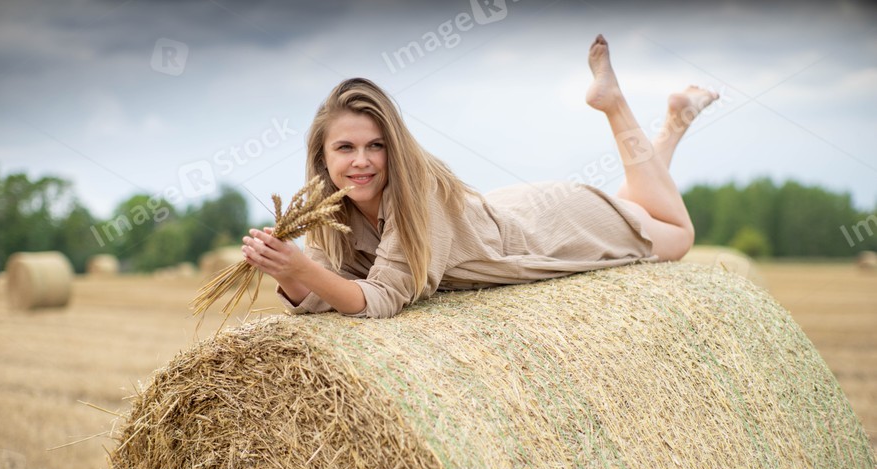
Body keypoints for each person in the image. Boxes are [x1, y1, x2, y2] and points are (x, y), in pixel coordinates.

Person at [241, 34, 719, 318]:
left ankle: (614, 104)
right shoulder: (329, 213)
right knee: (637, 208)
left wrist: (301, 269)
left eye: (376, 146)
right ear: (323, 158)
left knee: (678, 235)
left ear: (395, 149)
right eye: (345, 148)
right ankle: (675, 123)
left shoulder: (417, 197)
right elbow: (327, 293)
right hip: (510, 210)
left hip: (550, 231)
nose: (361, 161)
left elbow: (380, 300)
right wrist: (288, 271)